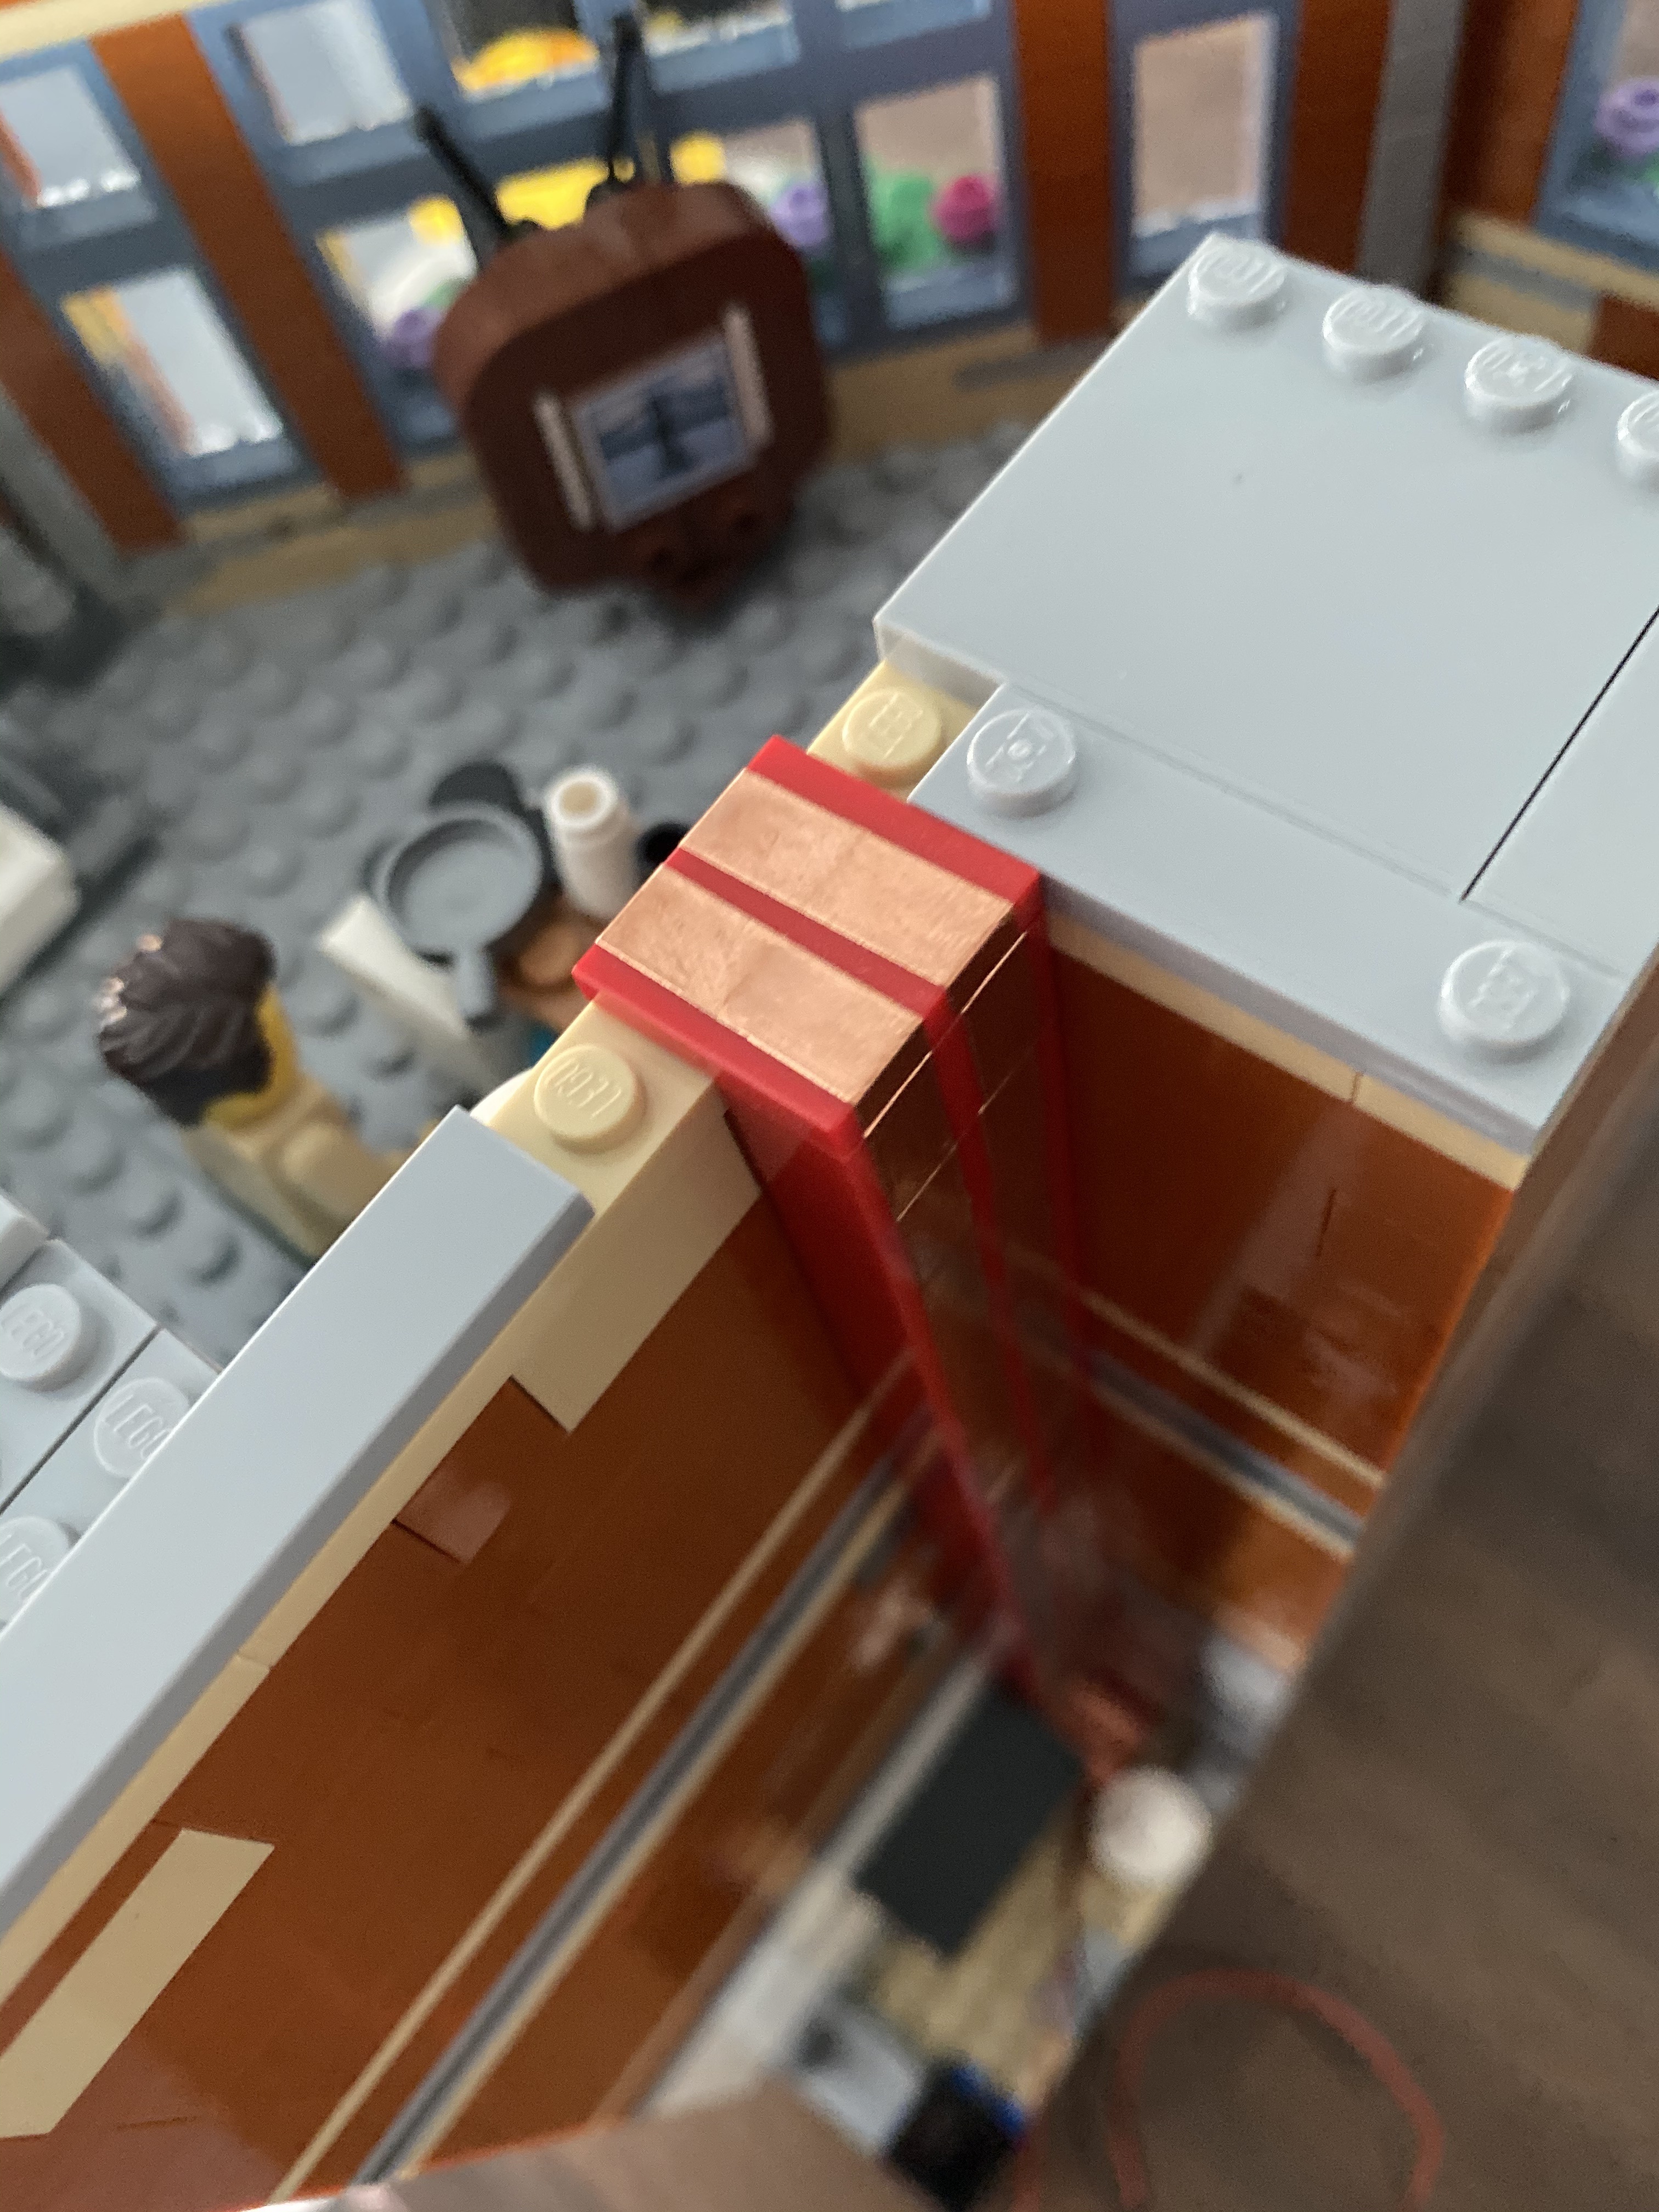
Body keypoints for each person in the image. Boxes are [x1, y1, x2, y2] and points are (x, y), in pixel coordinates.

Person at [97, 918, 403, 1260]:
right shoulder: (310, 1150)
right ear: (255, 1054)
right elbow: (381, 1195)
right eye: (277, 1021)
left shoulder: (198, 1134)